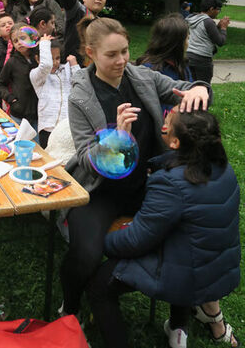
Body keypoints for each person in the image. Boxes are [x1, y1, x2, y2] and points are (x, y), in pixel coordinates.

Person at [60, 17, 210, 318]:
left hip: (144, 184)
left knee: (186, 232)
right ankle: (70, 310)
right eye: (112, 55)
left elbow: (183, 89)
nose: (121, 61)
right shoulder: (81, 96)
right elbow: (87, 158)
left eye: (125, 51)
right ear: (91, 53)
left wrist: (199, 88)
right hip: (101, 191)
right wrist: (118, 138)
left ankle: (180, 320)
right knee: (86, 255)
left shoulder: (142, 77)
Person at [87, 108, 240, 348]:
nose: (164, 119)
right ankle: (180, 327)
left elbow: (137, 239)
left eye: (168, 119)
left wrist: (102, 242)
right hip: (216, 269)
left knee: (99, 287)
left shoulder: (170, 183)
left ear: (176, 141)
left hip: (185, 275)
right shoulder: (223, 169)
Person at [136, 13, 192, 114]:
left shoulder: (182, 66)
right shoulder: (148, 69)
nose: (188, 43)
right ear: (177, 44)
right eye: (187, 38)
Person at [30, 35, 79, 148]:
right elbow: (46, 65)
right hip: (48, 129)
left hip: (66, 128)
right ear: (38, 59)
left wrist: (74, 65)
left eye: (57, 58)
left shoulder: (65, 70)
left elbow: (81, 85)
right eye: (51, 58)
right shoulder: (36, 75)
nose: (55, 62)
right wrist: (44, 43)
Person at [0, 22, 39, 130]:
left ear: (31, 38)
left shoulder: (39, 58)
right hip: (19, 114)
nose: (19, 42)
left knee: (37, 145)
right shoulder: (12, 62)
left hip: (39, 114)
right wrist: (10, 99)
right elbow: (0, 84)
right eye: (15, 41)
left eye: (22, 38)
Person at [186, 0, 230, 83]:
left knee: (190, 86)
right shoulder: (208, 21)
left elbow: (204, 33)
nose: (218, 12)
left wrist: (217, 27)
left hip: (189, 57)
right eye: (218, 9)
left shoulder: (192, 18)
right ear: (211, 9)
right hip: (202, 60)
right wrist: (224, 28)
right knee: (203, 88)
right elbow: (220, 41)